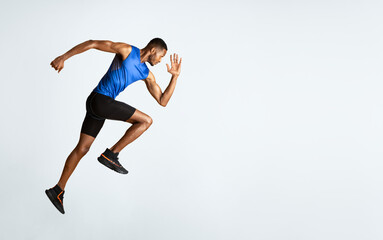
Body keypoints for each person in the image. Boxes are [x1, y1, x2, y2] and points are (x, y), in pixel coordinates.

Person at [45, 38, 182, 214]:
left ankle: (58, 190)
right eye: (162, 56)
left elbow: (163, 101)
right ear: (154, 50)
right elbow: (93, 43)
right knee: (146, 121)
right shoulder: (126, 50)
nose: (161, 61)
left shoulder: (146, 74)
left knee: (83, 148)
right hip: (101, 99)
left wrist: (175, 77)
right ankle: (111, 154)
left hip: (99, 105)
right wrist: (63, 57)